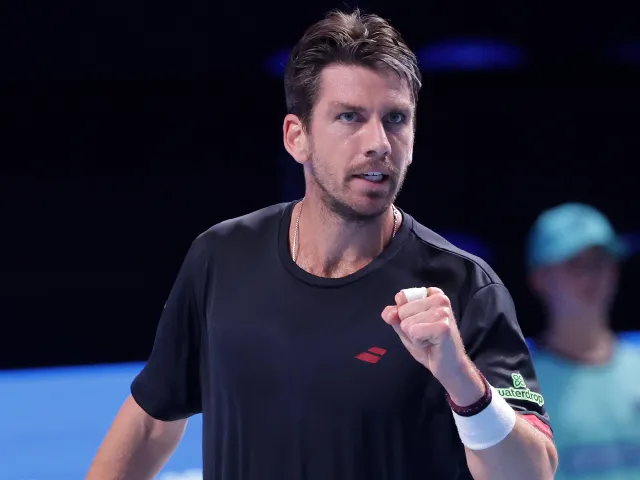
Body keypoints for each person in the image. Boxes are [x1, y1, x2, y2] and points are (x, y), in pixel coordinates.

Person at [86, 9, 557, 480]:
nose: (379, 142)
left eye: (395, 119)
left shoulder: (465, 288)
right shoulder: (221, 257)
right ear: (298, 137)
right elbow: (151, 422)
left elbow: (532, 474)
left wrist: (461, 380)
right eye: (350, 117)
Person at [526, 202, 640, 479]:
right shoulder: (515, 381)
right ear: (540, 278)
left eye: (601, 261)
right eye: (575, 264)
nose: (594, 276)